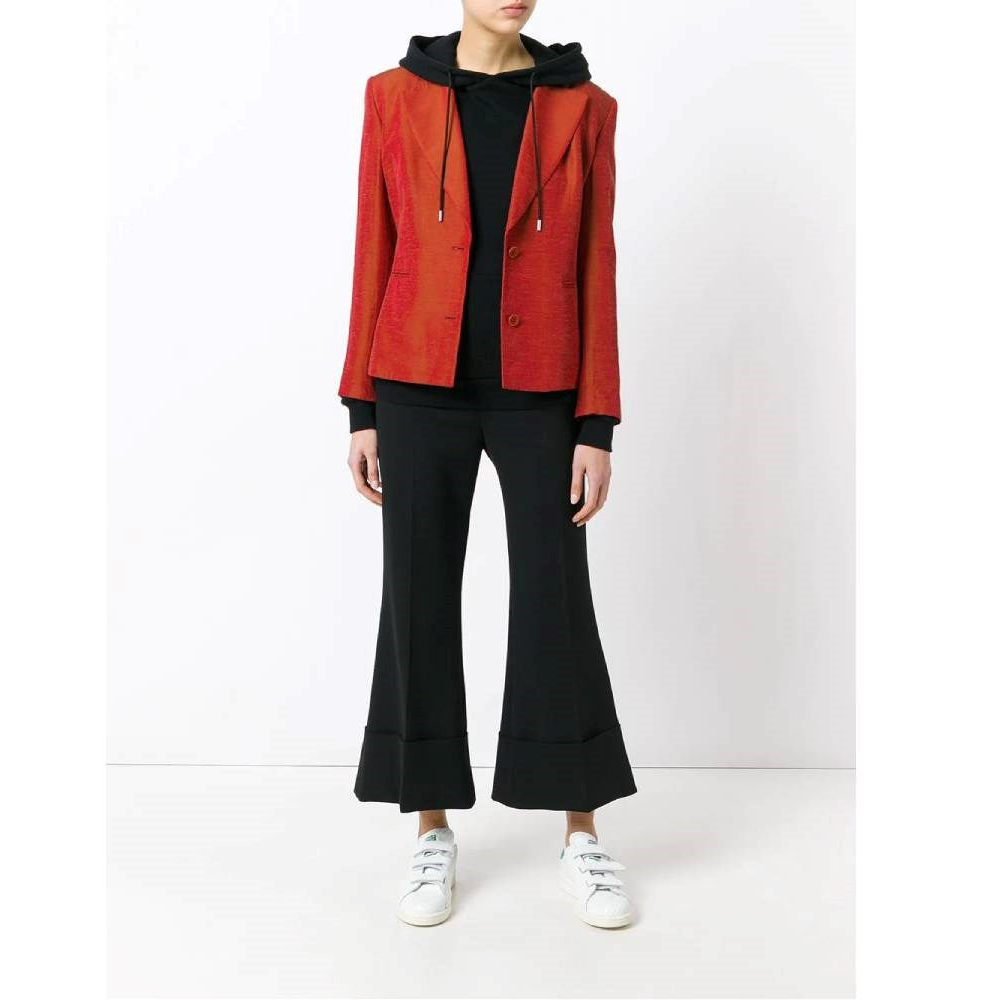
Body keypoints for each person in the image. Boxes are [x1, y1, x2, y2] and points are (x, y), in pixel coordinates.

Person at [338, 0, 636, 929]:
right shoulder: (393, 96)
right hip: (415, 383)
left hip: (539, 386)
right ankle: (430, 827)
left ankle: (581, 833)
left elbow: (596, 262)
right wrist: (361, 405)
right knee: (417, 593)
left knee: (556, 595)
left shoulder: (585, 106)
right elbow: (374, 245)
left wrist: (596, 421)